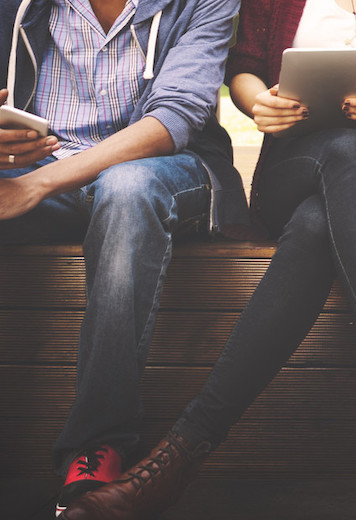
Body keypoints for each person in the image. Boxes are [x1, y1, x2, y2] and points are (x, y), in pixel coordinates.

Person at [55, 0, 356, 518]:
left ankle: (177, 457)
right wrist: (260, 104)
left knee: (317, 223)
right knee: (342, 150)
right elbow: (244, 69)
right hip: (297, 161)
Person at [0, 0, 252, 516]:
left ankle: (95, 449)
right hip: (40, 168)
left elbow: (176, 117)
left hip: (163, 169)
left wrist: (37, 183)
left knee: (126, 188)